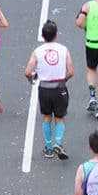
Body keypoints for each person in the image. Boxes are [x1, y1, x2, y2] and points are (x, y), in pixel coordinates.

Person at [25, 20, 74, 161]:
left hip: (44, 89)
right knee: (60, 118)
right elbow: (71, 71)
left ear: (43, 35)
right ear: (56, 35)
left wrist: (34, 77)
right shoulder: (63, 50)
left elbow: (27, 71)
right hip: (60, 87)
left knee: (46, 117)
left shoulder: (37, 52)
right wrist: (63, 80)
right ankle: (58, 143)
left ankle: (48, 148)